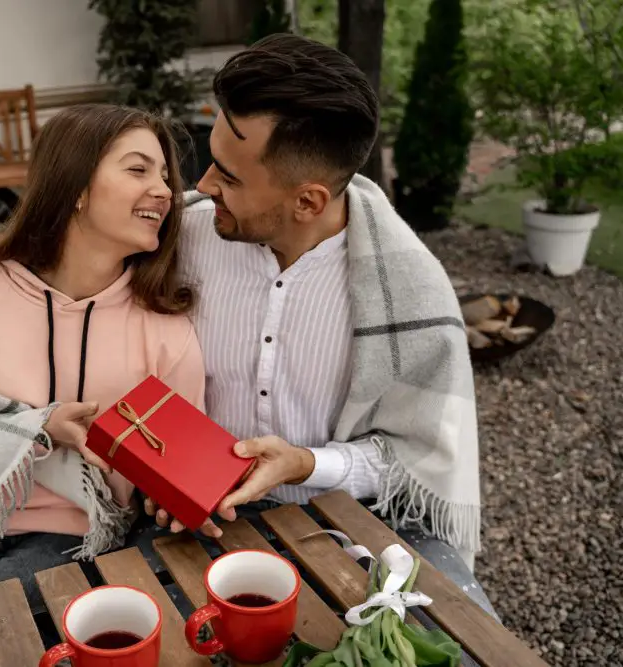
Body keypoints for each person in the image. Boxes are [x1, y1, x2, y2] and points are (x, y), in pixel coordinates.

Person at [138, 33, 498, 622]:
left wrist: (308, 463)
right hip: (196, 520)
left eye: (228, 178)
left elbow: (418, 459)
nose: (200, 187)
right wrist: (160, 471)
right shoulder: (175, 239)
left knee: (465, 644)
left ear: (307, 201)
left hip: (358, 520)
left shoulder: (409, 292)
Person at [0, 104, 207, 667]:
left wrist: (170, 492)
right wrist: (39, 428)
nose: (163, 191)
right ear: (75, 186)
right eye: (138, 170)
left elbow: (174, 467)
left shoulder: (165, 329)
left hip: (72, 534)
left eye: (165, 177)